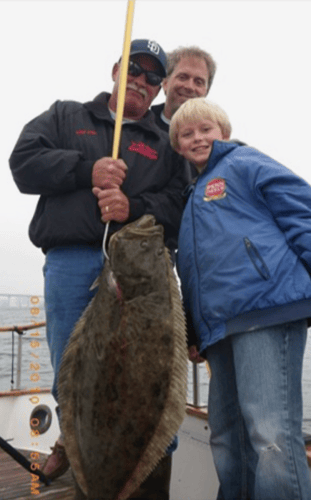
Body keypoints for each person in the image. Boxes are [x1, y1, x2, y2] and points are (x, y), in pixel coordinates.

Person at [9, 39, 191, 500]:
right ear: (115, 69)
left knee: (148, 381)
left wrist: (133, 205)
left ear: (160, 88)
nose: (141, 82)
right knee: (73, 374)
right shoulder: (66, 116)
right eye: (134, 70)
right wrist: (86, 170)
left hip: (144, 274)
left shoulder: (164, 142)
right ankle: (78, 453)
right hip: (73, 259)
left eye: (153, 77)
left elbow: (177, 203)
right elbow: (23, 164)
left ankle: (148, 480)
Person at [170, 97, 311, 500]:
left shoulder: (246, 163)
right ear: (178, 145)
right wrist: (195, 331)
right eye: (187, 133)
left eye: (206, 130)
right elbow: (192, 274)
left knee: (271, 437)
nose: (197, 138)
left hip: (265, 310)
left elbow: (304, 212)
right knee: (227, 437)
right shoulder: (190, 197)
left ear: (224, 133)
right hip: (219, 330)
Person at [151, 46, 216, 133]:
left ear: (206, 92)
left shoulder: (213, 142)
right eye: (182, 77)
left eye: (198, 82)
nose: (189, 87)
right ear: (165, 83)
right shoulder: (136, 127)